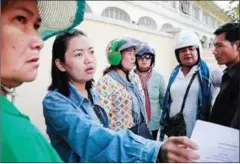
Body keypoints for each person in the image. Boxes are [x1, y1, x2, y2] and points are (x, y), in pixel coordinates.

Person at [42, 29, 200, 163]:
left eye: (91, 52)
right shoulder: (56, 102)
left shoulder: (93, 91)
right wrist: (153, 151)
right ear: (60, 64)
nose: (89, 59)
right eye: (78, 55)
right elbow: (93, 136)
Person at [1, 0, 86, 162]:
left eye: (36, 26)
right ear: (60, 64)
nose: (39, 42)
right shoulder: (12, 133)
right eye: (20, 19)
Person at [159, 31, 223, 141]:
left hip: (197, 133)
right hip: (174, 130)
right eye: (183, 50)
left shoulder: (210, 71)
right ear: (177, 55)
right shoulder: (175, 73)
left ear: (198, 50)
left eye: (191, 48)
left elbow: (232, 80)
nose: (187, 52)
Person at [96, 37, 152, 139]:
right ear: (116, 56)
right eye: (129, 53)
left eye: (134, 53)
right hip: (121, 140)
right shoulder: (105, 83)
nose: (133, 57)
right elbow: (104, 120)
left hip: (140, 134)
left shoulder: (134, 78)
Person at [210, 22, 240, 130]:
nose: (214, 52)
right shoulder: (228, 73)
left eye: (220, 46)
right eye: (215, 46)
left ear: (238, 46)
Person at [134, 42, 166, 140]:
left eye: (147, 57)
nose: (144, 60)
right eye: (140, 57)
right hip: (135, 122)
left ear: (152, 59)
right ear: (136, 59)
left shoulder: (159, 77)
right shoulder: (130, 76)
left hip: (154, 122)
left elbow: (163, 101)